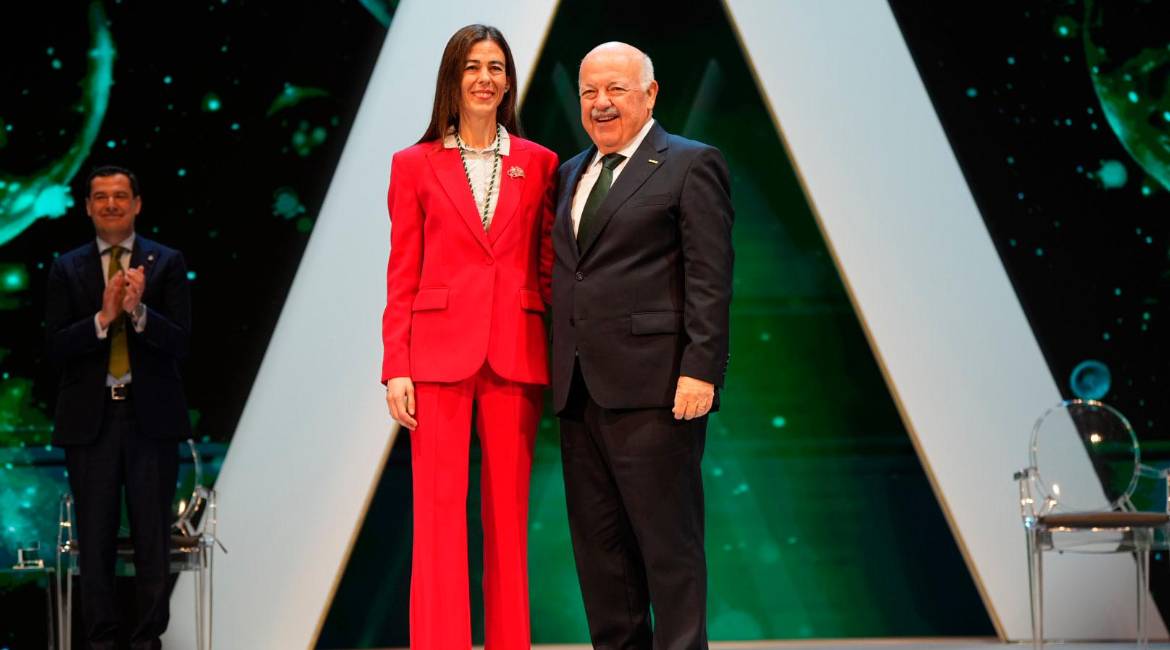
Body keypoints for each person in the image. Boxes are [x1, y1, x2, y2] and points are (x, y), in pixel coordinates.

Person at [551, 42, 734, 649]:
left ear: (650, 94)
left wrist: (701, 369)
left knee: (668, 552)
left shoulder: (689, 163)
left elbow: (710, 276)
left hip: (658, 391)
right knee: (602, 558)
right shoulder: (569, 173)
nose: (600, 104)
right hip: (579, 394)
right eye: (588, 93)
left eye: (616, 90)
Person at [380, 23, 557, 650]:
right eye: (472, 67)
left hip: (517, 350)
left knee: (507, 521)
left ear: (508, 81)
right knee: (436, 519)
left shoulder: (539, 163)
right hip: (434, 358)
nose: (485, 78)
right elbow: (402, 271)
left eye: (497, 68)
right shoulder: (413, 164)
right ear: (452, 79)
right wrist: (395, 365)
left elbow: (545, 265)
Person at [46, 165, 192, 650]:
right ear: (87, 206)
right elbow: (54, 348)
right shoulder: (67, 268)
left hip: (149, 420)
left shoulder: (166, 263)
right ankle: (103, 640)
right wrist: (104, 318)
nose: (111, 204)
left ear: (137, 204)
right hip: (92, 424)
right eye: (101, 197)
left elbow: (182, 344)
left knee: (153, 538)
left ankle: (148, 639)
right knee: (95, 538)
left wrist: (138, 311)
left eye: (120, 196)